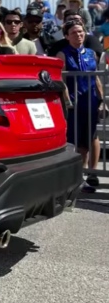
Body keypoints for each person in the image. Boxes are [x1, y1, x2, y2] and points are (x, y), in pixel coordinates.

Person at [56, 20, 102, 192]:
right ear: (67, 36)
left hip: (90, 102)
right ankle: (70, 180)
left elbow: (96, 77)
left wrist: (102, 101)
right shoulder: (62, 54)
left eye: (81, 32)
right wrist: (67, 101)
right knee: (72, 142)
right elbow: (61, 80)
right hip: (74, 104)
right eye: (74, 32)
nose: (79, 35)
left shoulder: (91, 53)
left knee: (86, 141)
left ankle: (81, 178)